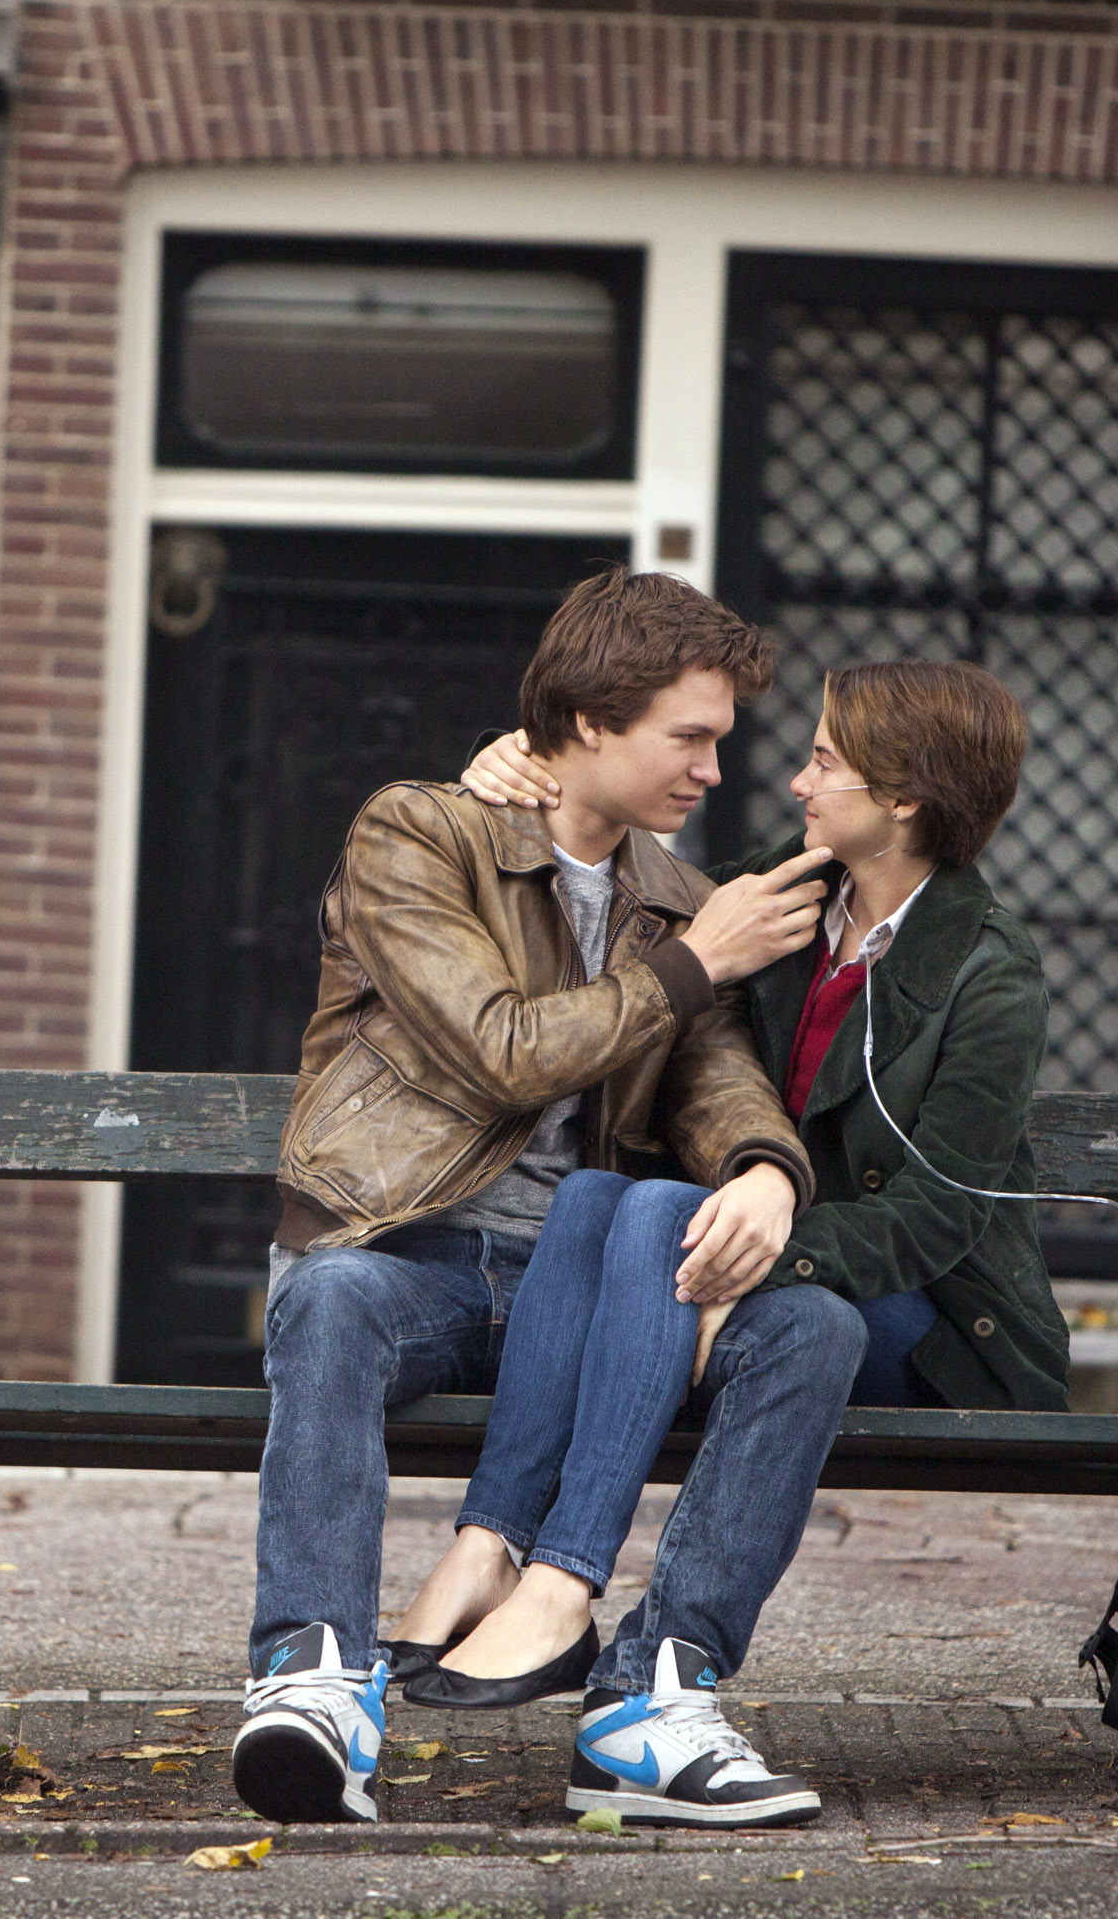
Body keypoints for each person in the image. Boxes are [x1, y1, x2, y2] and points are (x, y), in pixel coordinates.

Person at [232, 569, 868, 1833]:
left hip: (588, 1283)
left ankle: (651, 1699)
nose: (708, 769)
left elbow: (719, 1081)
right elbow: (499, 1049)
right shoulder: (419, 835)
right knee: (334, 1302)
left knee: (813, 1331)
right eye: (686, 737)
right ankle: (310, 1678)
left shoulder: (683, 902)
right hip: (413, 1254)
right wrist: (695, 965)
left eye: (721, 741)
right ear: (586, 724)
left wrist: (760, 1167)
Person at [411, 661, 1062, 1770]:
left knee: (793, 1301)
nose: (797, 783)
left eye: (823, 761)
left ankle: (560, 1581)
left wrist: (760, 1259)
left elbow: (933, 1222)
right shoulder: (776, 888)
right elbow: (613, 868)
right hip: (737, 1277)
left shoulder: (989, 977)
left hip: (930, 1320)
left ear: (902, 799)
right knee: (601, 1200)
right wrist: (504, 773)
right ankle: (523, 1573)